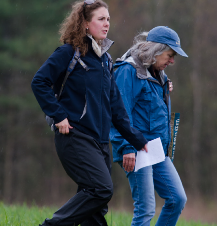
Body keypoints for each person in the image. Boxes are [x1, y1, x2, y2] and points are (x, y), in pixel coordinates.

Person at [31, 1, 148, 225]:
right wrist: (58, 115)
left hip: (101, 141)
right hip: (75, 137)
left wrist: (137, 139)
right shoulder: (68, 53)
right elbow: (39, 82)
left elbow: (116, 108)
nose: (107, 24)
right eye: (101, 19)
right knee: (100, 189)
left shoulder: (104, 60)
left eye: (109, 19)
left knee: (96, 207)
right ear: (85, 24)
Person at [110, 26, 188, 226]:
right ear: (156, 50)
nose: (172, 61)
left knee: (177, 199)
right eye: (170, 55)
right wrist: (126, 146)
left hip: (157, 149)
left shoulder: (158, 74)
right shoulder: (128, 70)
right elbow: (119, 112)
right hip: (136, 148)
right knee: (146, 210)